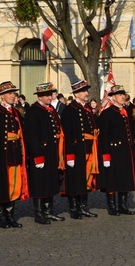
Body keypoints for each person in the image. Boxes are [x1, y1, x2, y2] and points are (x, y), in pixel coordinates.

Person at [0, 81, 29, 229]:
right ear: (2, 96)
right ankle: (2, 217)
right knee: (1, 186)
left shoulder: (16, 112)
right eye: (10, 93)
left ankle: (10, 216)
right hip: (0, 155)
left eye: (14, 93)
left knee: (14, 185)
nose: (13, 96)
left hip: (14, 154)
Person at [25, 82, 65, 225]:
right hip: (41, 153)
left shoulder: (50, 109)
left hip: (52, 152)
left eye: (51, 94)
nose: (50, 97)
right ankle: (39, 213)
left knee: (50, 182)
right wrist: (37, 156)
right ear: (40, 97)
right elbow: (32, 136)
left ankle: (49, 211)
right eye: (47, 95)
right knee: (40, 183)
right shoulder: (33, 111)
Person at [61, 79, 100, 219]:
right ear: (76, 94)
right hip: (76, 149)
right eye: (84, 91)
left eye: (86, 90)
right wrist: (70, 155)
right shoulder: (70, 110)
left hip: (88, 148)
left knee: (86, 179)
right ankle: (74, 209)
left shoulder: (87, 108)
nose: (86, 93)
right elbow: (68, 134)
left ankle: (83, 207)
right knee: (75, 179)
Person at [98, 85, 135, 216]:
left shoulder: (126, 112)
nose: (123, 96)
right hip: (113, 151)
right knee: (112, 179)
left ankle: (123, 205)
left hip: (126, 151)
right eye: (120, 94)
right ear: (113, 97)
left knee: (125, 178)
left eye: (123, 94)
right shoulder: (107, 114)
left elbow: (132, 132)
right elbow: (103, 137)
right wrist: (105, 155)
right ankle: (112, 206)